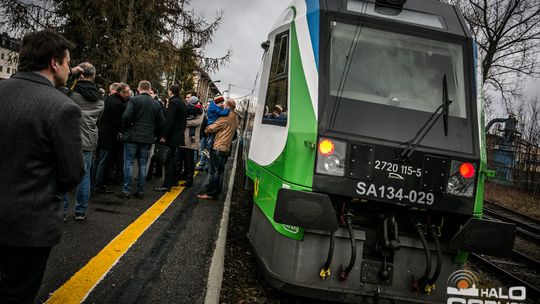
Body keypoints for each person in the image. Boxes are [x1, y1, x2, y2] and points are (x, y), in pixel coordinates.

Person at [0, 29, 84, 304]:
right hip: (28, 224)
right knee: (17, 294)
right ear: (54, 63)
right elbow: (72, 173)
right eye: (68, 62)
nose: (70, 68)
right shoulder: (62, 107)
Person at [63, 62, 104, 221]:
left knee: (64, 174)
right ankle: (80, 211)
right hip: (89, 139)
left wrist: (70, 73)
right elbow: (99, 119)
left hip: (69, 138)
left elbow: (56, 88)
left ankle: (63, 211)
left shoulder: (70, 95)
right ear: (93, 76)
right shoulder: (100, 100)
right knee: (84, 175)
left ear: (80, 75)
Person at [120, 80, 164, 198]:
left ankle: (126, 189)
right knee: (143, 164)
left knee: (128, 163)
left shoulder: (133, 100)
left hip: (132, 134)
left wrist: (127, 127)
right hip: (147, 137)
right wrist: (153, 131)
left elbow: (126, 116)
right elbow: (161, 122)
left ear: (139, 89)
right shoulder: (156, 104)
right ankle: (140, 190)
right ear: (149, 90)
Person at [197, 100, 240, 200]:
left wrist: (207, 127)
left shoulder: (227, 116)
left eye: (224, 105)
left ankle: (211, 193)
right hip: (226, 147)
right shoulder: (235, 117)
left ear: (228, 107)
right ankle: (216, 191)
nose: (222, 106)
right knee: (220, 171)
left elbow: (213, 127)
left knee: (214, 171)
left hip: (218, 146)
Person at [94, 82, 130, 193]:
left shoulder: (108, 99)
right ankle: (99, 184)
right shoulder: (118, 104)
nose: (129, 94)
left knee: (98, 160)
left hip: (100, 133)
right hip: (109, 136)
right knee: (103, 161)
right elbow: (117, 121)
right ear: (121, 92)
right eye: (127, 92)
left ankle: (94, 181)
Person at [154, 84, 187, 192]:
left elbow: (169, 121)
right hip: (178, 135)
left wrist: (164, 136)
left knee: (169, 161)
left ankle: (166, 185)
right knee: (173, 159)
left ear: (170, 91)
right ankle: (173, 181)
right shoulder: (182, 103)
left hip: (171, 136)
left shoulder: (173, 102)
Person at [201, 94, 230, 158]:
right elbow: (223, 113)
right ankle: (207, 150)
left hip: (211, 123)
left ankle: (207, 149)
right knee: (211, 138)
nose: (222, 104)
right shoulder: (215, 108)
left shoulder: (213, 106)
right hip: (212, 124)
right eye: (221, 103)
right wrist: (227, 109)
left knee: (210, 138)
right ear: (217, 102)